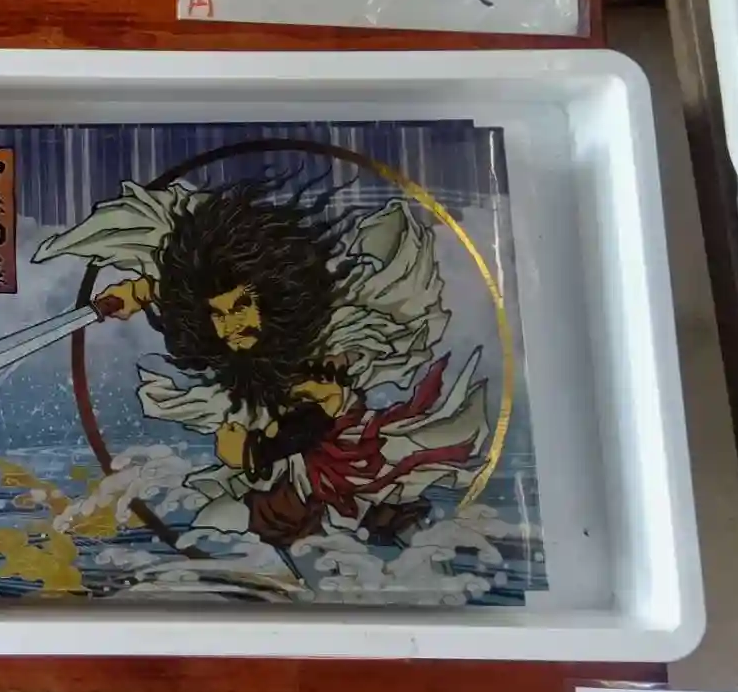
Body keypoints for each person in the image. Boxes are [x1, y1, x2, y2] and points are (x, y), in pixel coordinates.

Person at [31, 175, 490, 550]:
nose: (231, 326)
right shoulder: (237, 342)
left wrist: (254, 453)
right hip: (290, 467)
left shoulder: (320, 341)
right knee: (232, 521)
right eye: (218, 315)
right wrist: (140, 291)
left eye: (241, 308)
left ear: (270, 296)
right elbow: (189, 292)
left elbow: (322, 409)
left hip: (344, 463)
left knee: (347, 522)